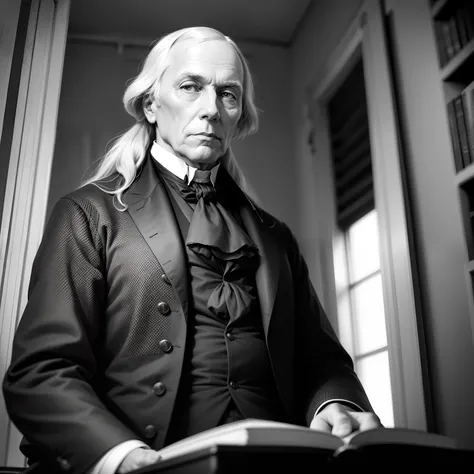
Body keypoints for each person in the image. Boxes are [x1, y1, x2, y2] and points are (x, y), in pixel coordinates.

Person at [2, 26, 382, 474]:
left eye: (228, 94)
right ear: (150, 104)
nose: (210, 109)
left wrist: (333, 403)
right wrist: (122, 458)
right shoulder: (86, 215)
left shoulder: (275, 237)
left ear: (239, 117)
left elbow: (320, 359)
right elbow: (41, 371)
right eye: (190, 87)